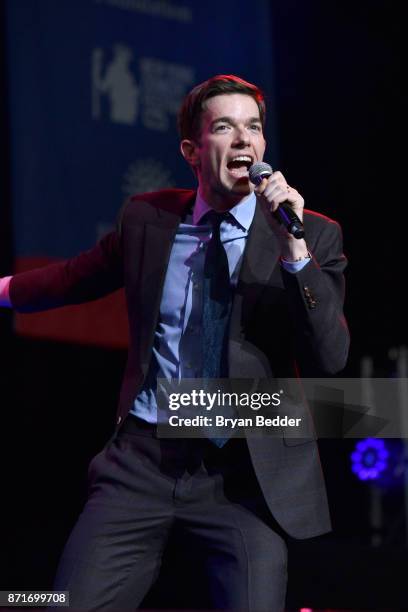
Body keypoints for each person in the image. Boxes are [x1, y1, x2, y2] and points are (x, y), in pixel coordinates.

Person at [0, 74, 349, 611]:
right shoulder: (149, 220)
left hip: (243, 475)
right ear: (192, 150)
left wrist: (292, 250)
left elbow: (331, 357)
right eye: (225, 127)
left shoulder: (312, 234)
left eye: (253, 128)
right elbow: (70, 279)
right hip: (142, 463)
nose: (244, 141)